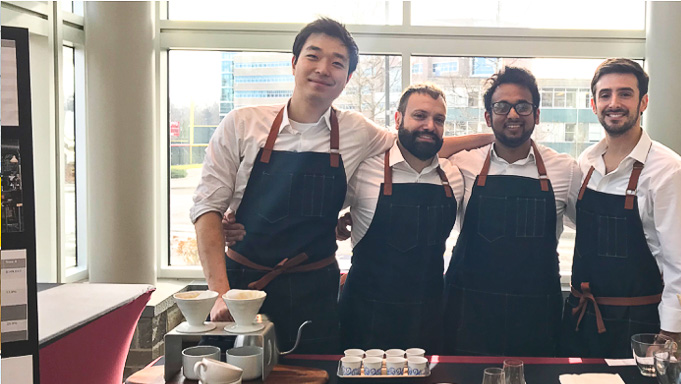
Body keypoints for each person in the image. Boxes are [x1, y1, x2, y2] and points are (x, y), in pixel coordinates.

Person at [196, 18, 488, 353]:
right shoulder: (242, 123)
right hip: (243, 290)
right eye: (313, 56)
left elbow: (416, 143)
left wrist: (497, 138)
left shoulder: (356, 131)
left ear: (347, 78)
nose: (324, 69)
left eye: (337, 63)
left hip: (315, 289)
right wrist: (220, 294)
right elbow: (207, 208)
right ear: (294, 63)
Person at [560, 58, 681, 358]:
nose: (614, 103)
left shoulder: (670, 173)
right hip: (581, 319)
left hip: (641, 328)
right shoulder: (586, 162)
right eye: (605, 94)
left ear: (644, 102)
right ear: (593, 104)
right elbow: (582, 224)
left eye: (625, 94)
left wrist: (669, 335)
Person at [443, 66, 581, 356]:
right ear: (488, 116)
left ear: (537, 114)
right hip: (469, 310)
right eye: (502, 107)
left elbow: (587, 229)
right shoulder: (463, 163)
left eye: (523, 106)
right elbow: (422, 147)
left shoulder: (565, 169)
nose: (514, 114)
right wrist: (482, 138)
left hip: (535, 314)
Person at [336, 83, 464, 352]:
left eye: (438, 120)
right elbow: (318, 212)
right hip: (365, 316)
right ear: (398, 119)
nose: (429, 125)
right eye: (419, 116)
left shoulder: (453, 176)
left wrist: (489, 138)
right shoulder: (363, 170)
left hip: (427, 317)